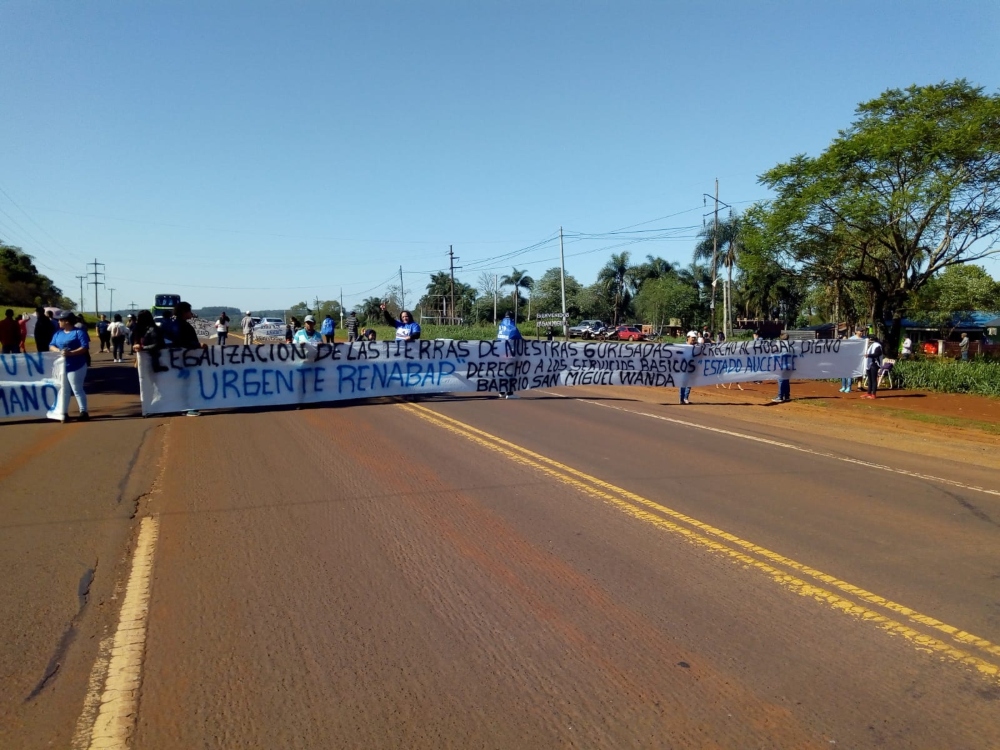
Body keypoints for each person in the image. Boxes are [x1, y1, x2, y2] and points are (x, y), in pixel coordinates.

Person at [50, 311, 90, 421]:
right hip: (62, 367)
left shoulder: (79, 332)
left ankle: (83, 412)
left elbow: (84, 347)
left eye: (60, 320)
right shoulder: (58, 333)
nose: (59, 322)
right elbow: (51, 345)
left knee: (77, 389)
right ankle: (64, 413)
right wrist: (58, 351)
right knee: (64, 390)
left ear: (67, 321)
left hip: (76, 365)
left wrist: (71, 353)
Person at [173, 301, 205, 415]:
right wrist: (197, 345)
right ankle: (189, 408)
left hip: (180, 360)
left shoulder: (175, 324)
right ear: (183, 312)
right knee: (190, 384)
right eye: (189, 311)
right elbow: (182, 342)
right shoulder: (182, 326)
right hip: (186, 360)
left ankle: (184, 408)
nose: (191, 313)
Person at [496, 312, 522, 399]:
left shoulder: (501, 327)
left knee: (503, 373)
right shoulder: (512, 327)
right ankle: (510, 393)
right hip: (510, 354)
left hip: (501, 353)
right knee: (511, 373)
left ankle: (502, 392)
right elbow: (520, 339)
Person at [679, 330, 698, 404]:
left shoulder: (695, 347)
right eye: (692, 337)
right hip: (683, 367)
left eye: (694, 338)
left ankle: (686, 398)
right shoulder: (683, 346)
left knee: (689, 383)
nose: (693, 339)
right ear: (688, 338)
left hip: (691, 367)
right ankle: (681, 399)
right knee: (683, 383)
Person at [862, 335, 883, 399]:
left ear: (871, 339)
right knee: (870, 379)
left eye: (868, 339)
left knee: (873, 379)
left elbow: (877, 354)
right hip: (868, 363)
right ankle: (869, 392)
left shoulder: (878, 345)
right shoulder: (870, 345)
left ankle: (873, 394)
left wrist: (868, 355)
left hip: (874, 364)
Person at [773, 333, 791, 403]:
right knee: (786, 380)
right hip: (789, 365)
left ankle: (780, 396)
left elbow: (774, 354)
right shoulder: (791, 345)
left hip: (781, 365)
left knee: (781, 380)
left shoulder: (779, 345)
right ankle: (787, 396)